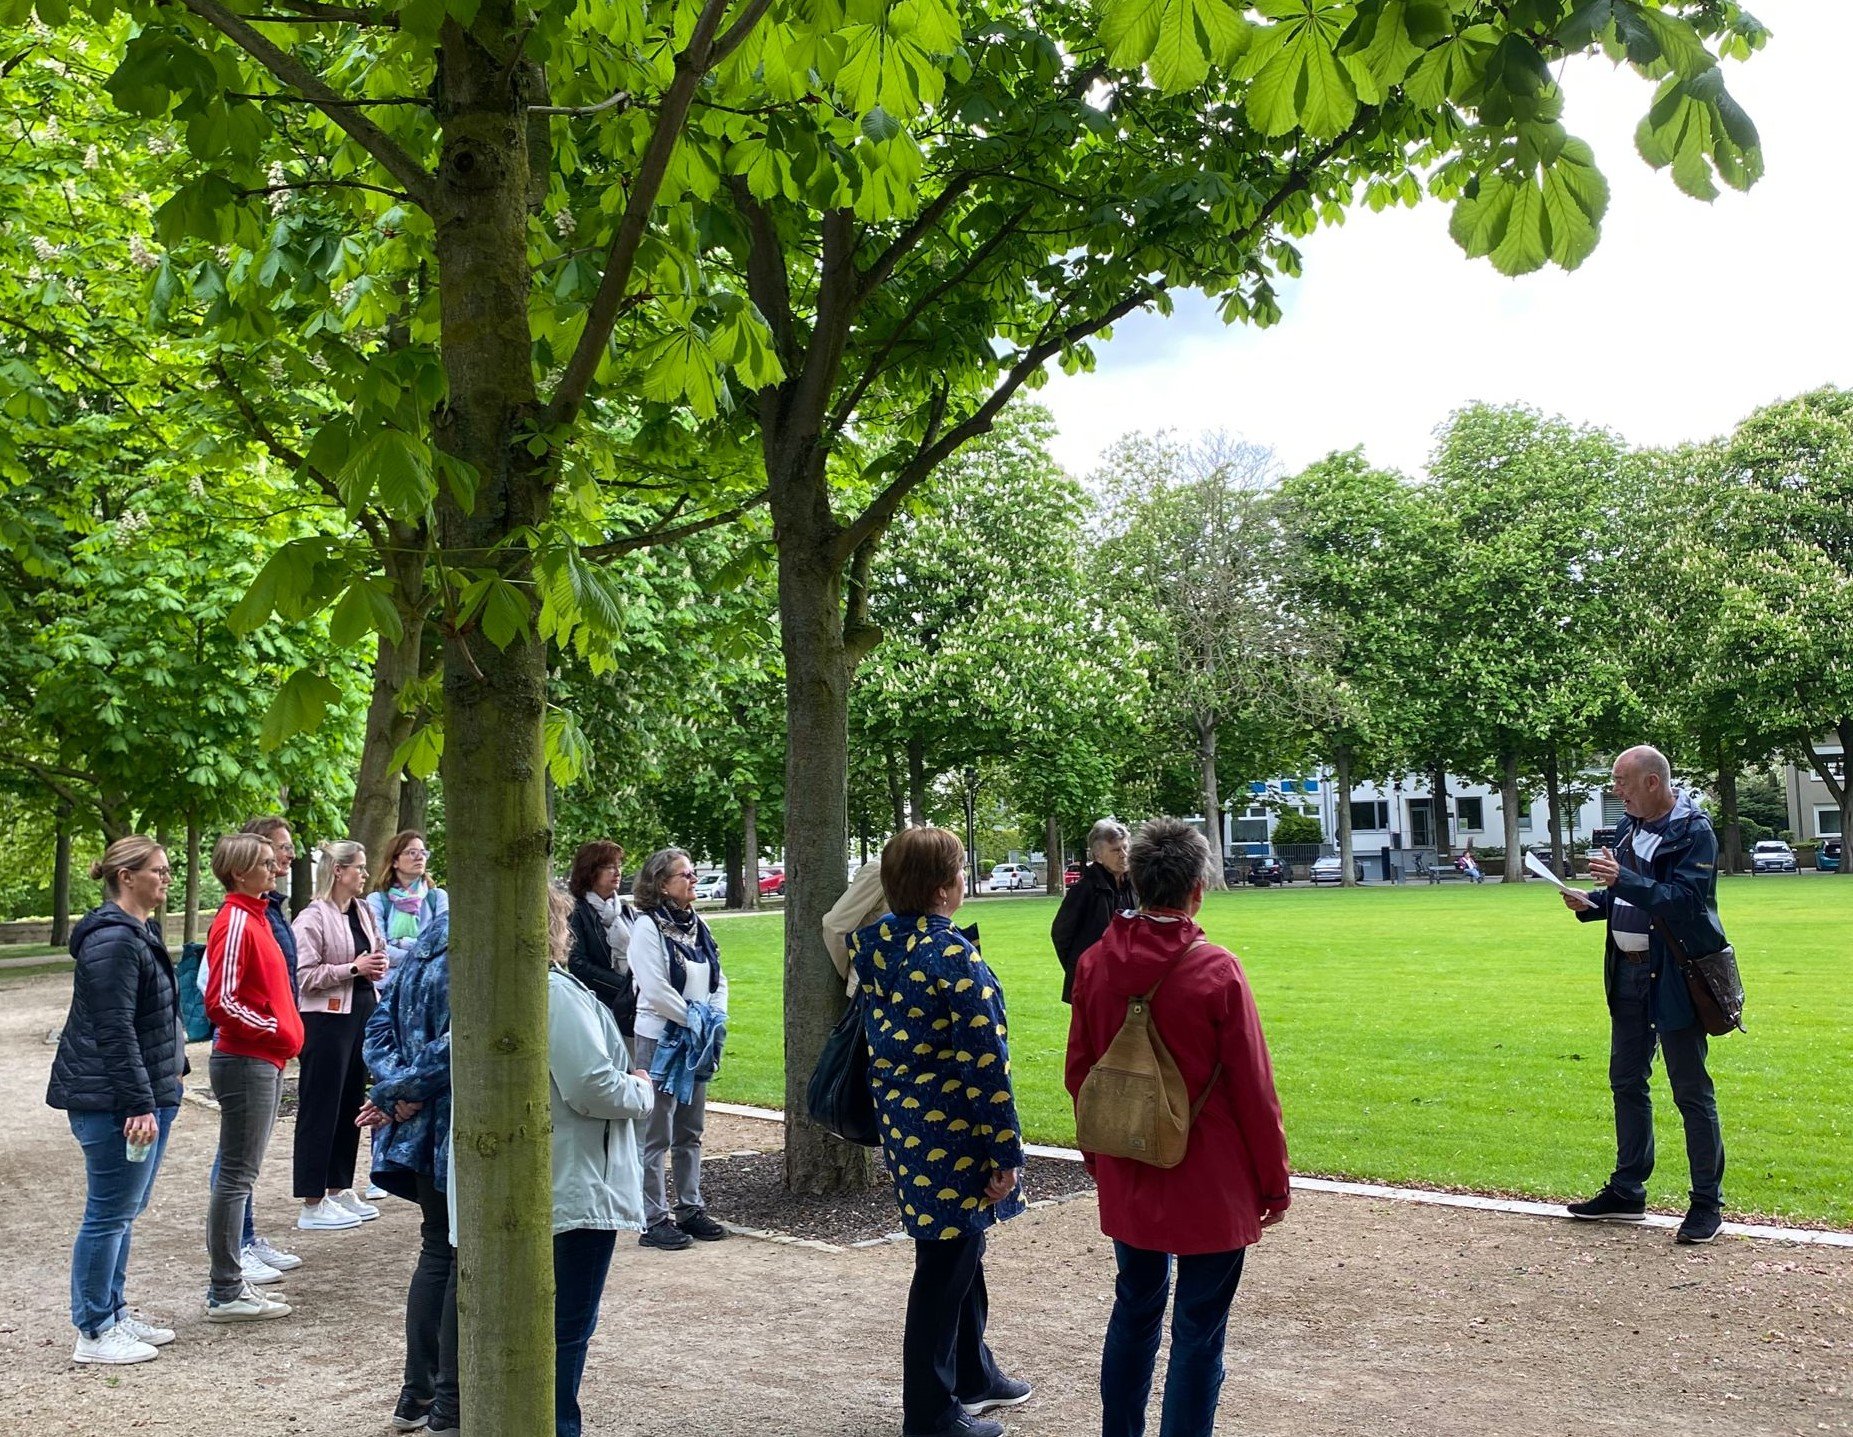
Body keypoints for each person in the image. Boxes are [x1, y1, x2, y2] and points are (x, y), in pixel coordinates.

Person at [1065, 817, 1290, 1437]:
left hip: (1130, 1160)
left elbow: (1080, 1070)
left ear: (1134, 881)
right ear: (1198, 888)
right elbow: (1254, 1090)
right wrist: (1272, 1183)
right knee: (1198, 1331)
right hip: (1209, 1174)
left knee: (1134, 1309)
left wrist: (1101, 1154)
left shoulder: (1093, 964)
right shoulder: (1217, 969)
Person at [849, 826, 1032, 1437]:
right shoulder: (953, 957)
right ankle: (930, 1415)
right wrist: (1004, 1153)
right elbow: (985, 1064)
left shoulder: (875, 947)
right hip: (954, 1135)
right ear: (942, 888)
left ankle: (974, 1376)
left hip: (905, 1127)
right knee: (944, 1266)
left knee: (961, 1251)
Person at [1561, 744, 1729, 1245]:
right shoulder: (1628, 828)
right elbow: (1622, 896)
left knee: (1690, 1089)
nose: (1616, 791)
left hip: (1674, 975)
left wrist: (1625, 880)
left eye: (1622, 782)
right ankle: (1628, 1189)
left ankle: (1706, 1204)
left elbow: (1685, 902)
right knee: (1626, 1081)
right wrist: (1591, 903)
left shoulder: (1695, 832)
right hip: (1628, 973)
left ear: (1652, 783)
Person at [46, 836, 184, 1365]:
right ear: (126, 876)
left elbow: (151, 1020)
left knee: (125, 1210)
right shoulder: (114, 940)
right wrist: (136, 1104)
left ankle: (113, 1310)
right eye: (158, 871)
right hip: (114, 1102)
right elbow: (115, 1031)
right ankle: (94, 1329)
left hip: (146, 1092)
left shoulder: (138, 930)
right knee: (107, 1214)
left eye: (169, 870)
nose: (167, 878)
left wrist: (171, 1075)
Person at [543, 887, 655, 1437]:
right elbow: (590, 1086)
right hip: (575, 1183)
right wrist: (641, 1090)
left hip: (559, 1176)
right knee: (567, 1330)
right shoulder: (554, 993)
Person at [361, 913, 458, 1436]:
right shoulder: (470, 942)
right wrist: (404, 1090)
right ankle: (443, 1403)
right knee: (451, 1253)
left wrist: (395, 1087)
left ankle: (416, 1396)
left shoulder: (429, 937)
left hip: (419, 1124)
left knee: (437, 1249)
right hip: (449, 1127)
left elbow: (380, 1027)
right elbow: (463, 1037)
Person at [202, 831, 305, 1323]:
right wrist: (274, 1030)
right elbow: (220, 1001)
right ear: (241, 872)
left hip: (262, 1058)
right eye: (266, 862)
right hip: (247, 1059)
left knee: (239, 1174)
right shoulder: (236, 920)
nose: (276, 867)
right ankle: (225, 1288)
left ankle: (230, 1283)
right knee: (236, 1176)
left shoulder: (257, 917)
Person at [629, 847, 729, 1251]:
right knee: (656, 1132)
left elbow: (718, 978)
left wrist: (713, 1018)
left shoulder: (697, 925)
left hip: (695, 1038)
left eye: (691, 874)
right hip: (660, 1039)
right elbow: (654, 989)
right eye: (685, 875)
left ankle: (690, 1207)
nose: (692, 880)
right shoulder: (647, 928)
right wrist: (696, 1020)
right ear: (661, 884)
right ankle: (653, 1218)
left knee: (691, 1130)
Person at [292, 840, 388, 1231]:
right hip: (326, 1021)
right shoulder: (311, 918)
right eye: (359, 868)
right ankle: (311, 1199)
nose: (365, 874)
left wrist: (375, 965)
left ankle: (338, 1186)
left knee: (352, 1103)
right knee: (321, 1104)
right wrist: (352, 968)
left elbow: (376, 950)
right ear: (338, 870)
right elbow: (303, 975)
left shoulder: (363, 911)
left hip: (362, 1012)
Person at [1051, 818, 1137, 1004]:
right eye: (1115, 850)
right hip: (1093, 984)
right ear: (1097, 856)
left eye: (1125, 847)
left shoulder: (1134, 886)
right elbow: (1060, 933)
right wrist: (1081, 969)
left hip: (1129, 980)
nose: (1123, 854)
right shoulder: (1085, 889)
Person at [565, 839, 638, 1036]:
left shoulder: (626, 911)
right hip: (600, 1004)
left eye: (618, 865)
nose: (617, 872)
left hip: (634, 1005)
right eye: (608, 867)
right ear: (590, 871)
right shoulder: (576, 911)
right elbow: (578, 964)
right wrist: (626, 988)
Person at [368, 829, 449, 973]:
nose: (420, 857)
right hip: (386, 986)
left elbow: (441, 943)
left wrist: (401, 943)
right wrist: (421, 953)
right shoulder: (376, 900)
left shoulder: (438, 897)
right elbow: (378, 948)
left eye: (423, 853)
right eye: (412, 852)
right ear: (394, 861)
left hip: (426, 985)